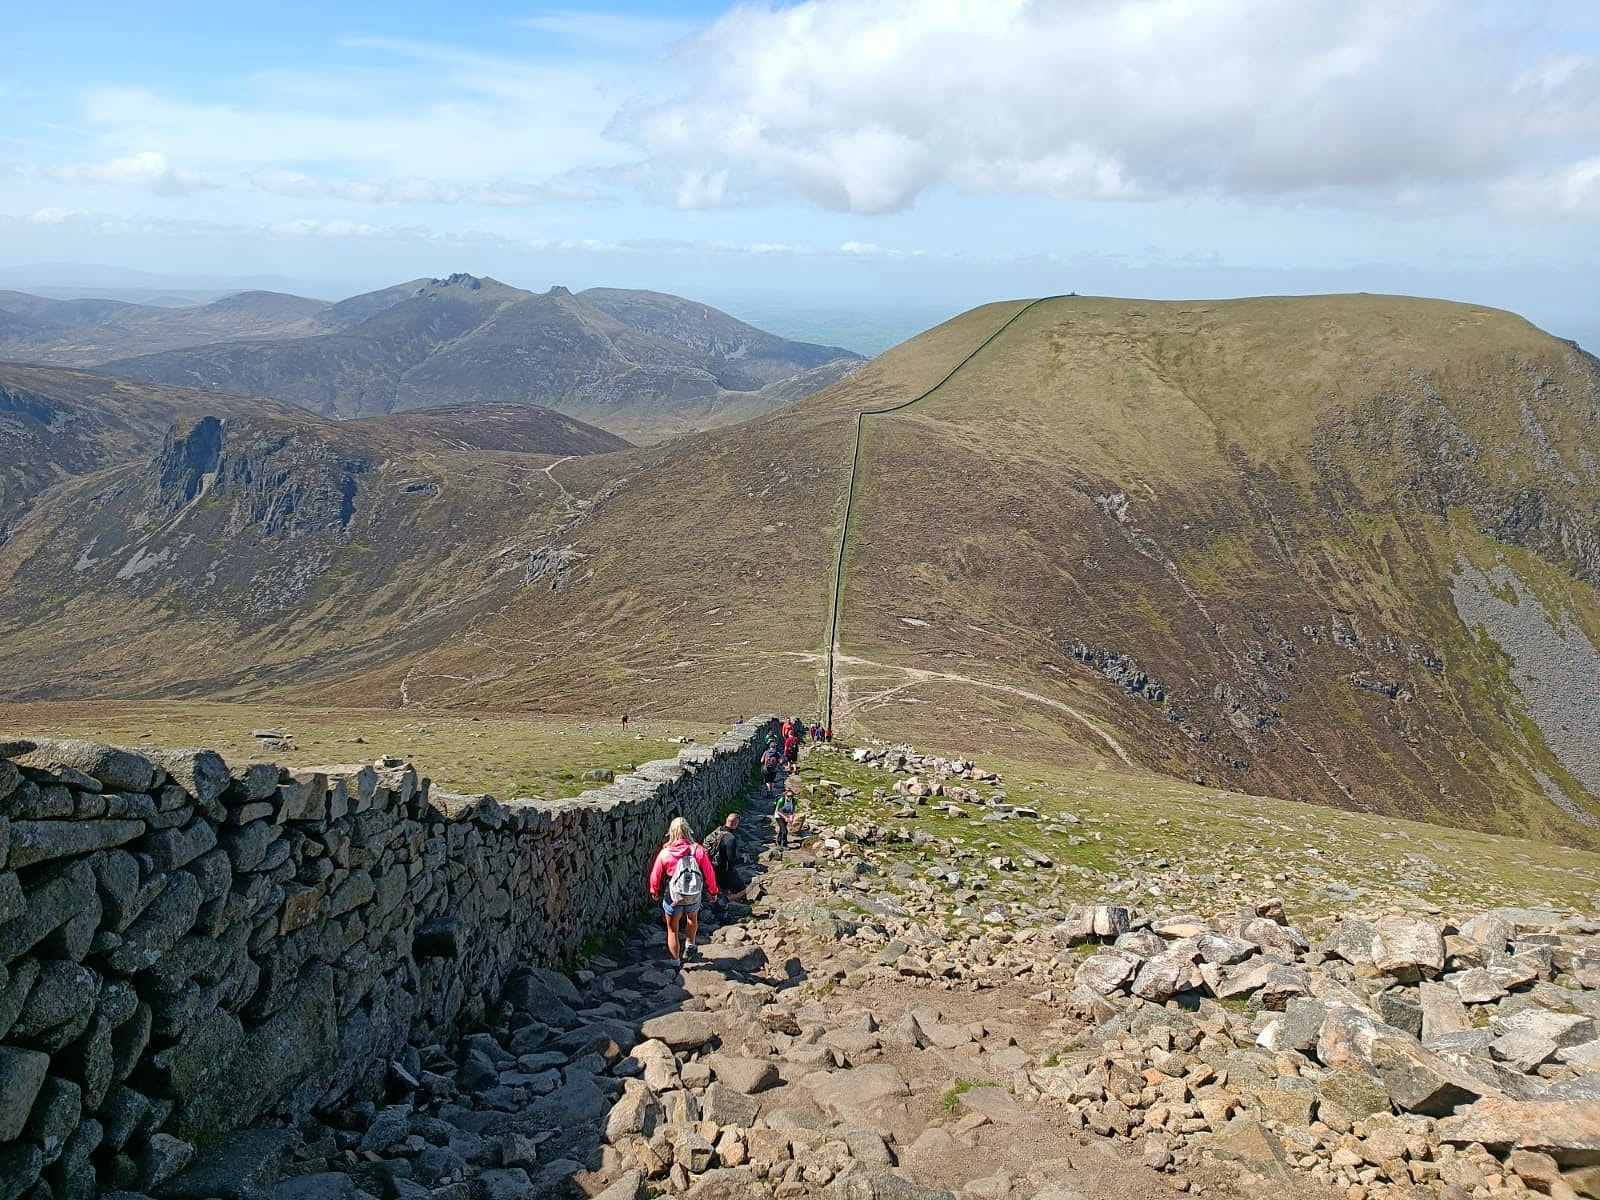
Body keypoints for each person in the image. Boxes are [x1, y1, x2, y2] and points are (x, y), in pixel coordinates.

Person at [648, 817, 718, 967]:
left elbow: (656, 874)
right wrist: (713, 891)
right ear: (688, 831)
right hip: (693, 894)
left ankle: (675, 962)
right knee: (692, 918)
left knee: (672, 929)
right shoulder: (698, 850)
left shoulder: (665, 852)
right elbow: (709, 872)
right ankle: (689, 944)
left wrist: (654, 890)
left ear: (671, 833)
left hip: (673, 895)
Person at [703, 813, 743, 903]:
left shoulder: (715, 832)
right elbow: (731, 861)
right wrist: (743, 859)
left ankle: (719, 903)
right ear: (736, 824)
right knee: (743, 890)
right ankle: (724, 901)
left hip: (709, 869)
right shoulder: (730, 838)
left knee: (722, 889)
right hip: (722, 872)